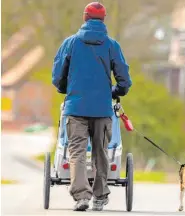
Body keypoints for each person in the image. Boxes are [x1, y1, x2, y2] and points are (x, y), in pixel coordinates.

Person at [52, 1, 132, 211]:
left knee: (76, 152)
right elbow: (124, 80)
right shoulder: (112, 46)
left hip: (75, 108)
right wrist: (114, 92)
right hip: (102, 109)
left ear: (85, 18)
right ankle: (99, 196)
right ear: (103, 19)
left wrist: (66, 91)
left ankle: (81, 197)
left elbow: (58, 75)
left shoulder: (70, 44)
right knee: (101, 152)